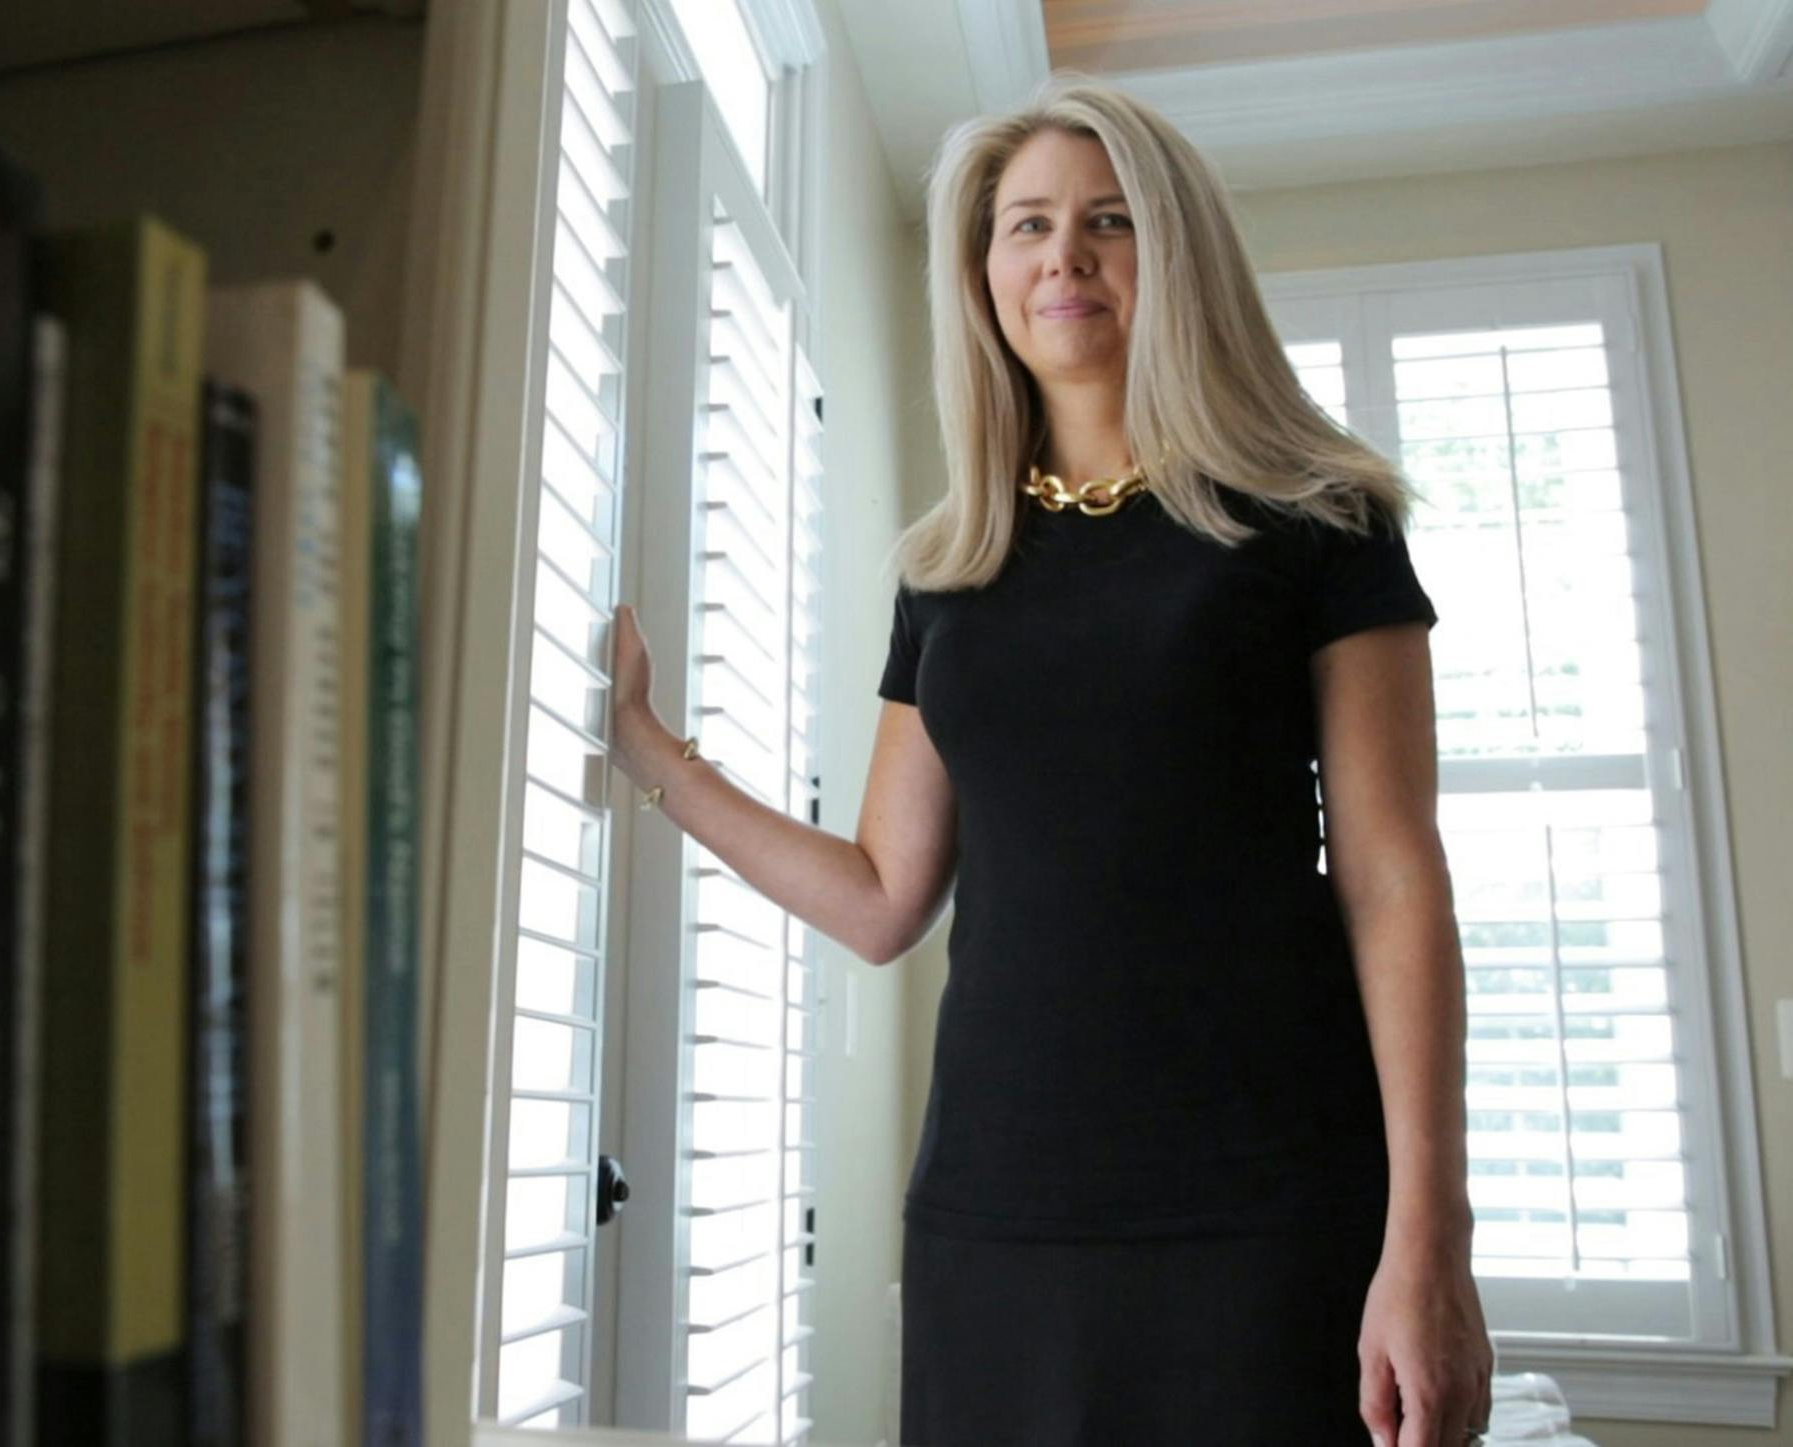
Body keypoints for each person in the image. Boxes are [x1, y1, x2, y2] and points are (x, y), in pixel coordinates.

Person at [607, 70, 1496, 1447]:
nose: (1062, 256)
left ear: (1175, 252)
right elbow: (882, 895)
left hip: (1263, 1203)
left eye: (1108, 220)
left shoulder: (1321, 517)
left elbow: (1393, 879)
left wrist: (1429, 1241)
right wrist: (652, 756)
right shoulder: (949, 571)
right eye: (1024, 226)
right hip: (996, 1212)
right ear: (984, 274)